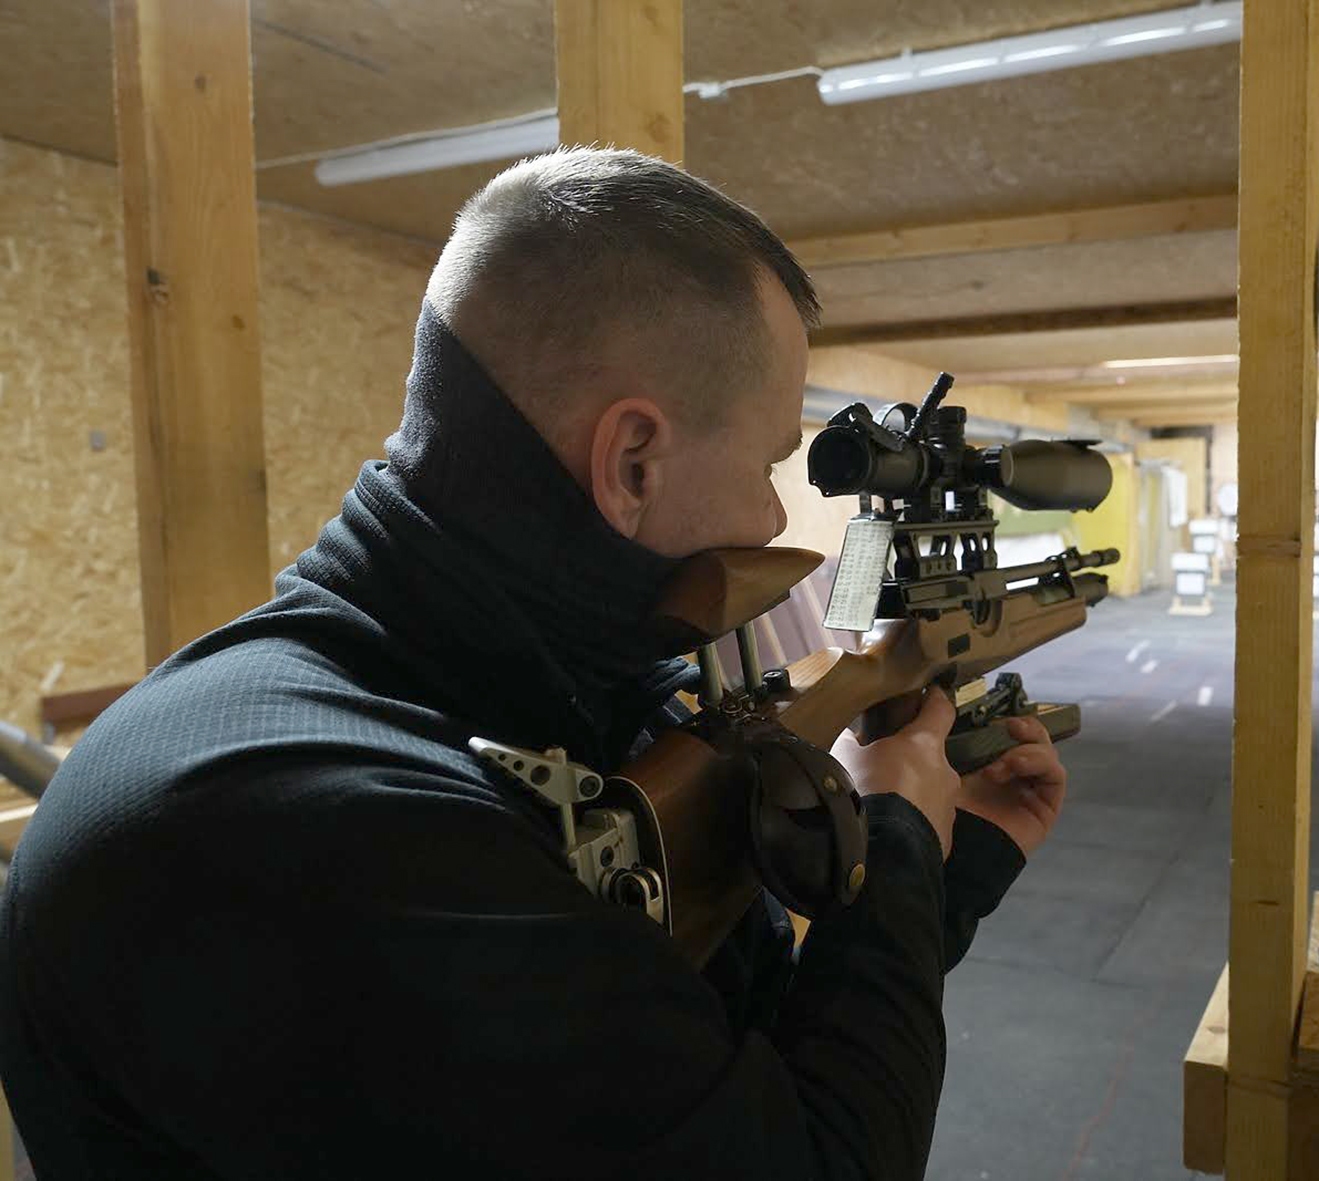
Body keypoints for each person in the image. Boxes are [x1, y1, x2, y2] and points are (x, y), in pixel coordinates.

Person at [0, 147, 1068, 1180]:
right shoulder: (324, 822)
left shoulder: (543, 700)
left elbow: (739, 1049)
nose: (768, 518)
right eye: (766, 466)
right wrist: (894, 835)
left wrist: (947, 862)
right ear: (632, 459)